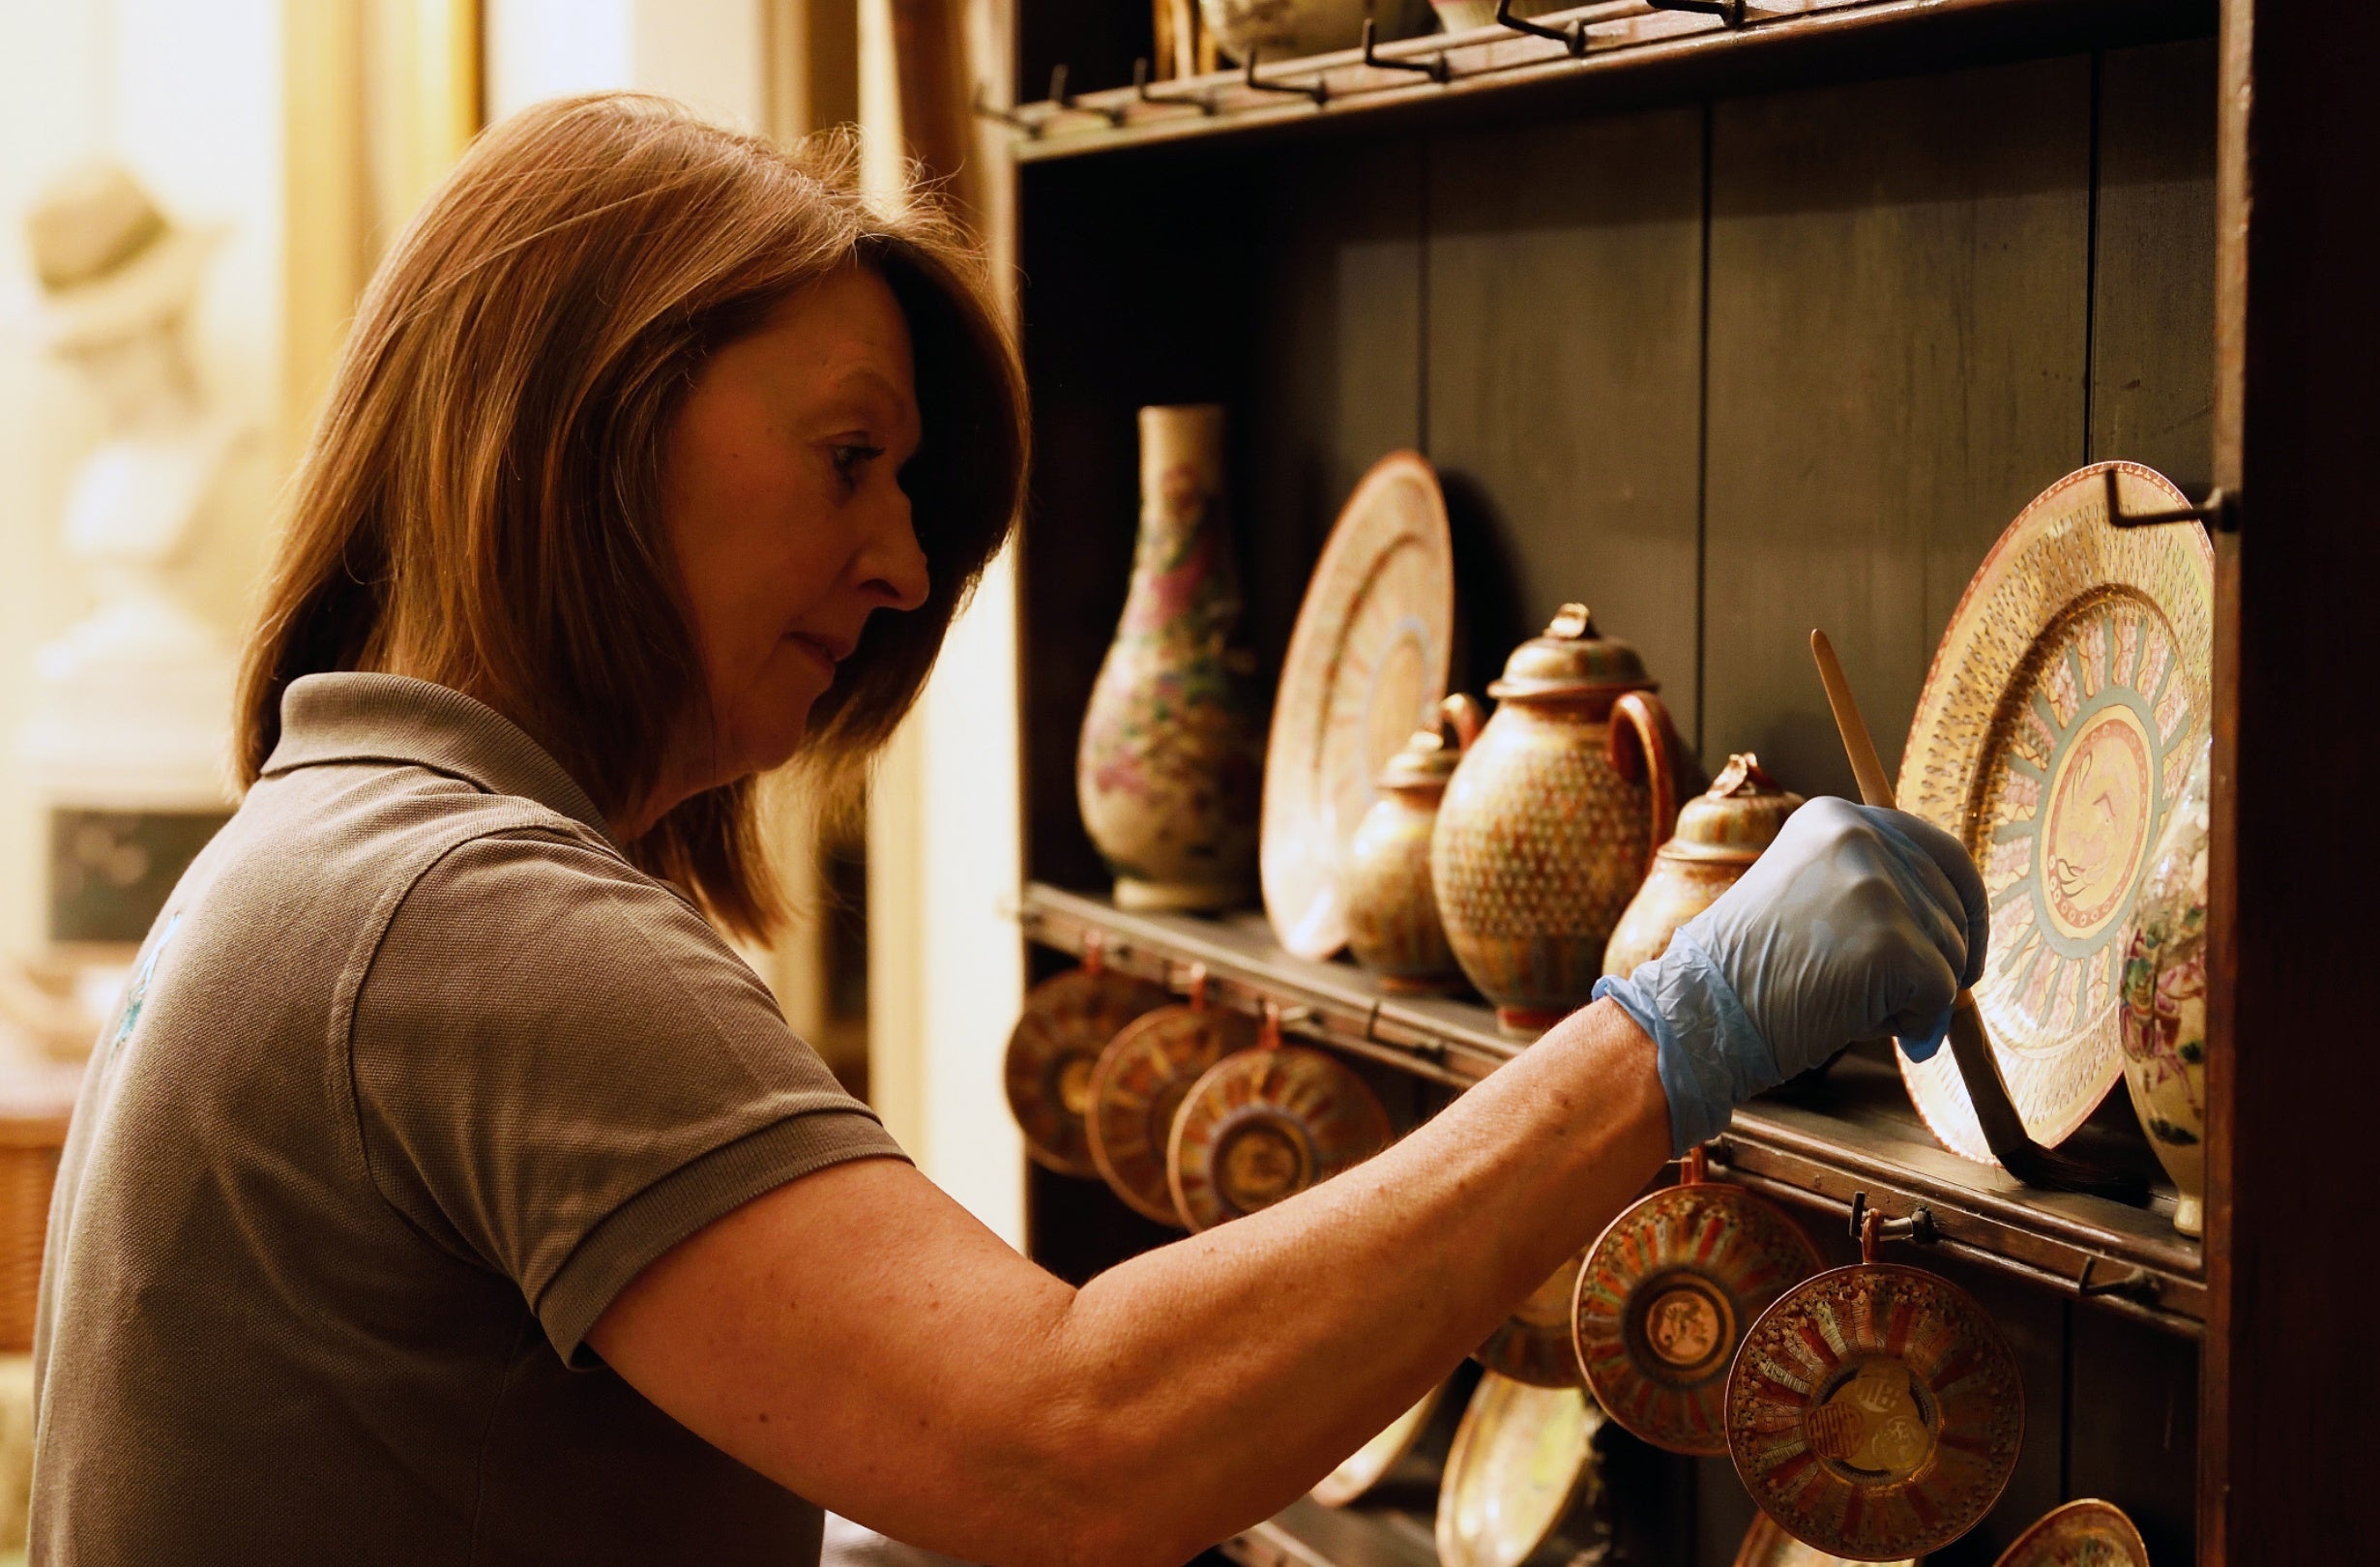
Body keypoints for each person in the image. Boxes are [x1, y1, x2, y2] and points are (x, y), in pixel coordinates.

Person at [29, 95, 1985, 1567]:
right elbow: (1071, 1437)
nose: (897, 563)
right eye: (851, 458)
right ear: (589, 425)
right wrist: (1671, 1034)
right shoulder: (464, 918)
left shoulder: (330, 851)